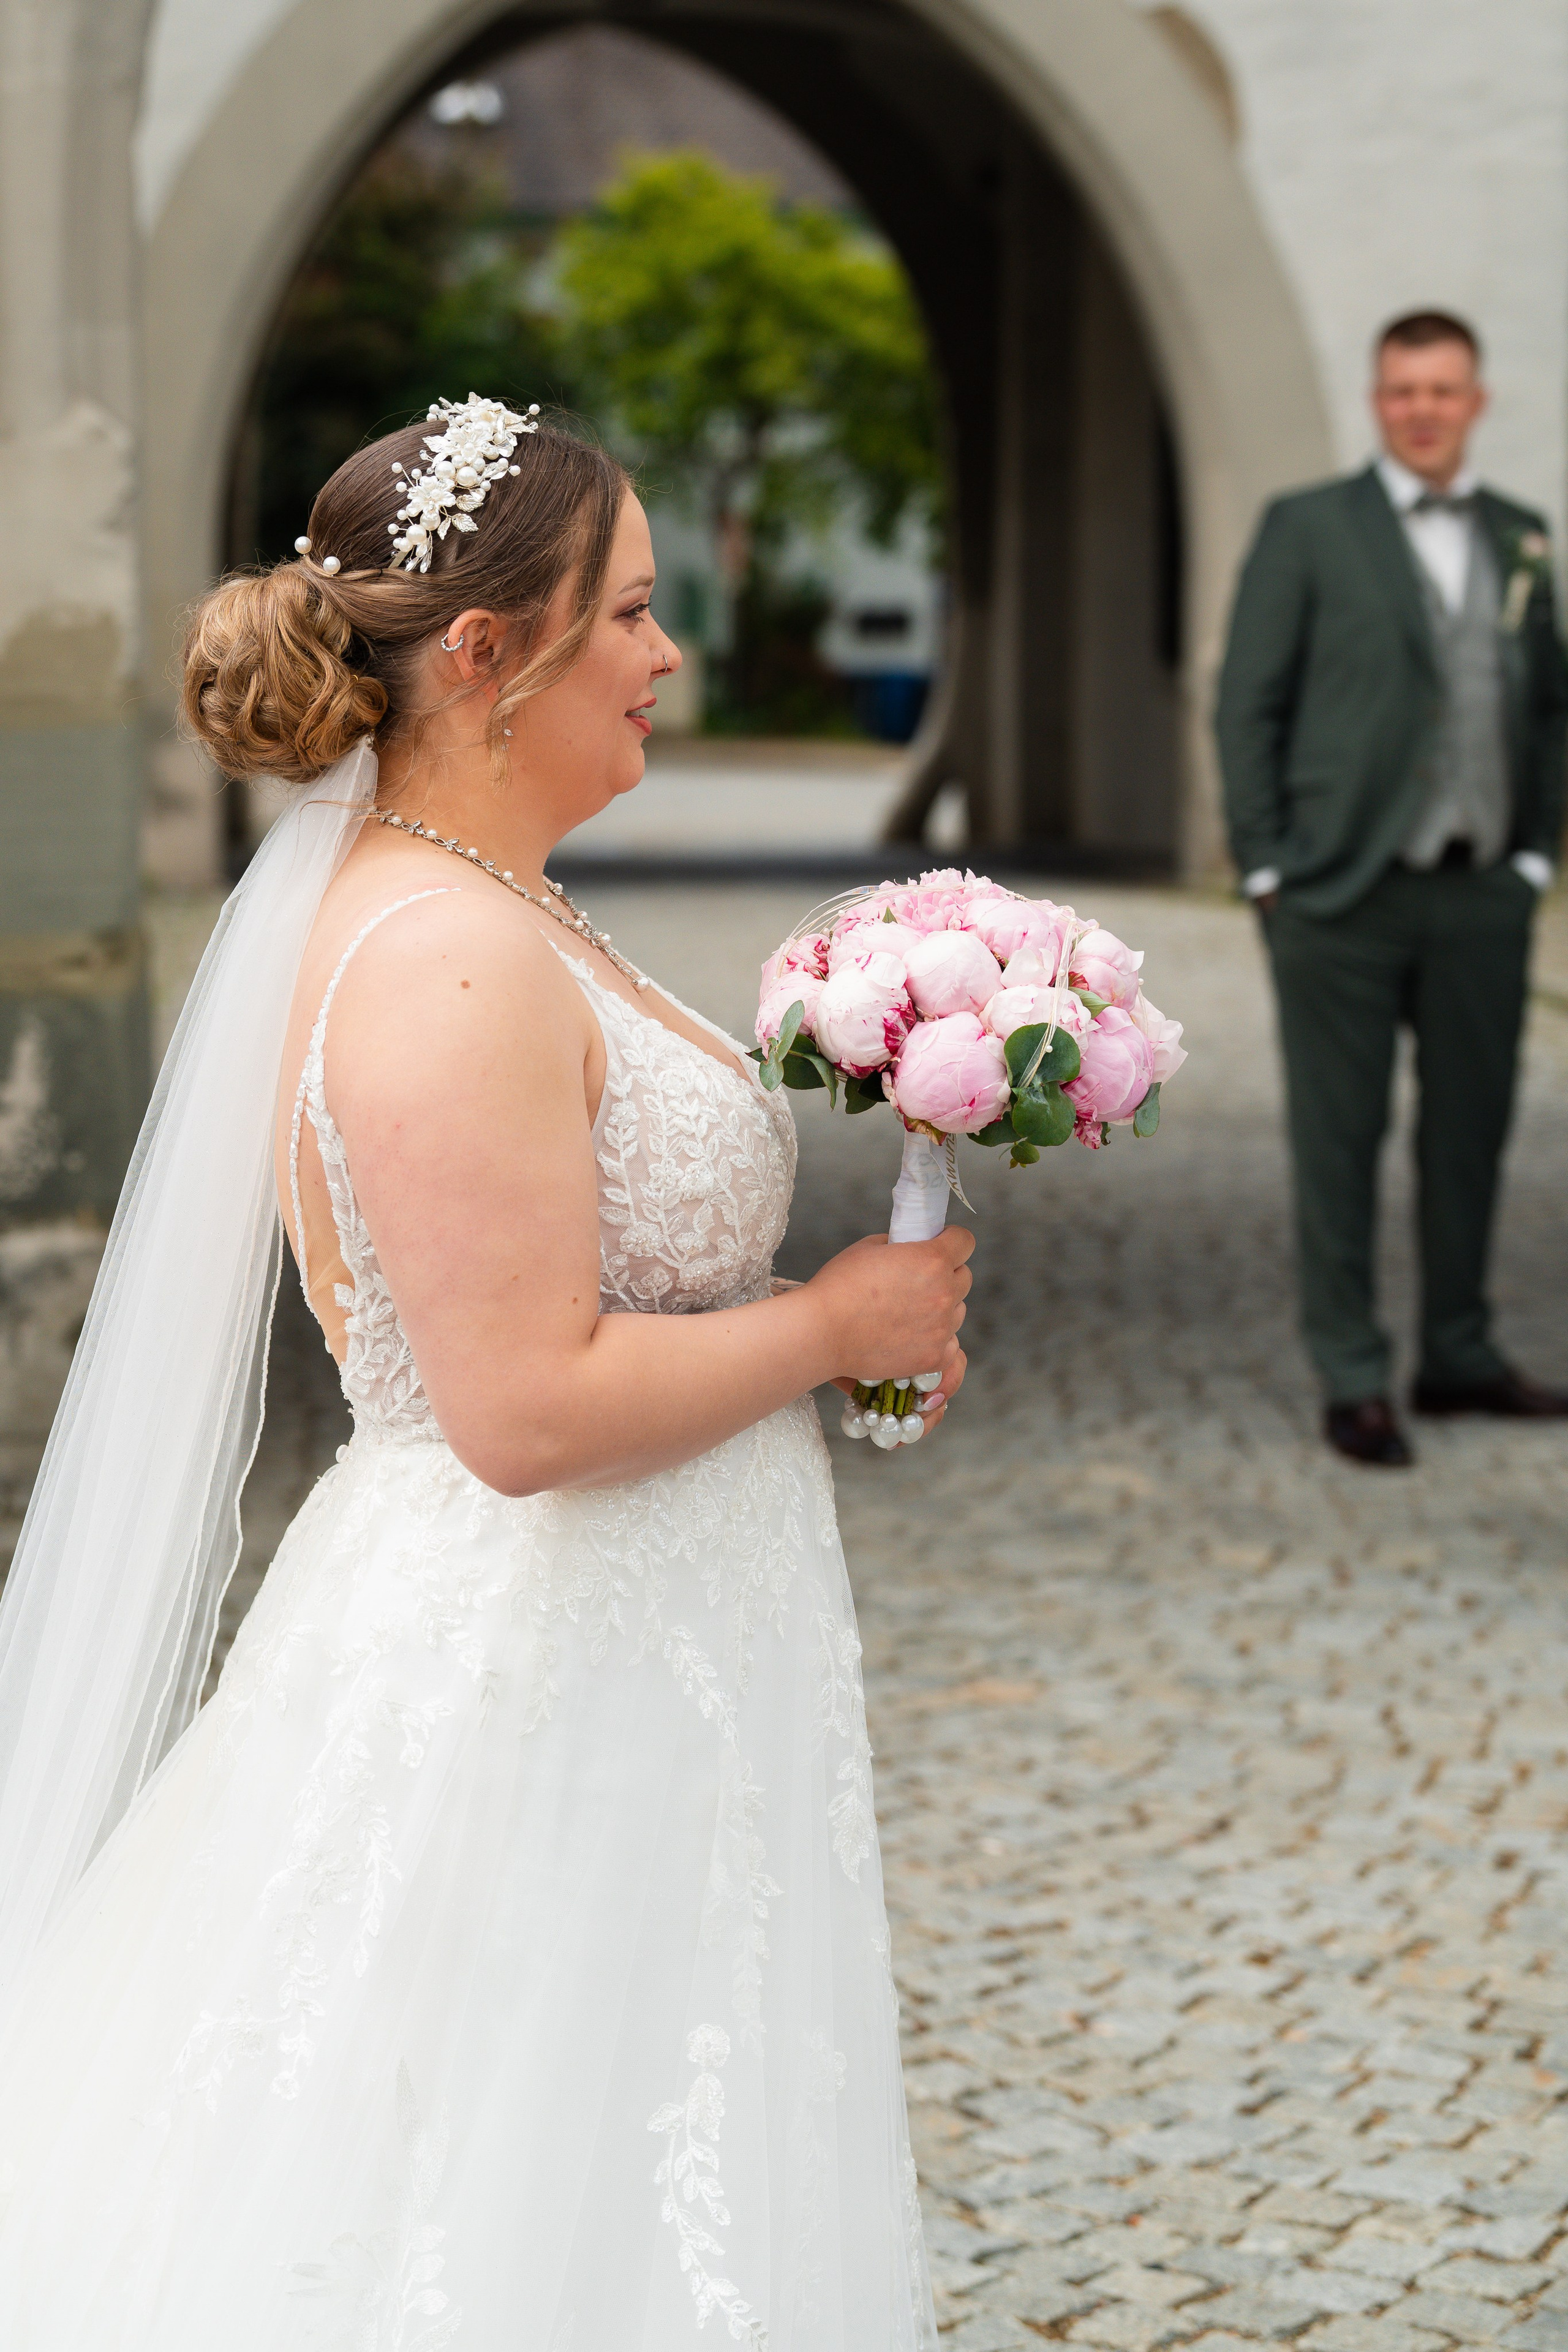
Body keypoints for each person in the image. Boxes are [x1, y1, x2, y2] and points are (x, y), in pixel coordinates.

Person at [0, 398, 968, 2345]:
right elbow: (520, 1412)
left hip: (649, 1652)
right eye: (628, 611)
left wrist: (826, 1337)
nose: (668, 654)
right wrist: (830, 1327)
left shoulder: (509, 904)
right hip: (527, 1668)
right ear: (485, 653)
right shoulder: (447, 955)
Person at [1217, 311, 1568, 1467]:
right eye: (1404, 390)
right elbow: (1248, 705)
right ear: (1380, 401)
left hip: (1481, 893)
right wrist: (1267, 868)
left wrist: (1533, 857)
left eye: (1445, 390)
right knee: (1341, 1138)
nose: (1424, 408)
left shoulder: (1522, 539)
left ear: (1476, 401)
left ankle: (1460, 1354)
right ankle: (1356, 1374)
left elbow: (1549, 710)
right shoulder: (1309, 528)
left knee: (1471, 1133)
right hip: (1339, 897)